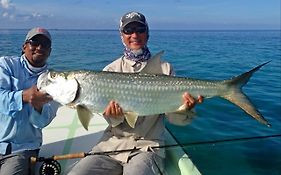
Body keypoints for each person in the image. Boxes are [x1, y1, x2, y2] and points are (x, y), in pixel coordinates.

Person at [68, 12, 203, 175]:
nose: (134, 35)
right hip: (110, 147)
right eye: (128, 30)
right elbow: (111, 121)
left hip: (148, 147)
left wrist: (184, 109)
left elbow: (175, 120)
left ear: (147, 33)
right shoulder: (110, 70)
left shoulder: (165, 69)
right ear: (121, 36)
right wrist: (115, 116)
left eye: (140, 29)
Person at [0, 27, 60, 175]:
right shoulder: (6, 65)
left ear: (49, 51)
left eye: (44, 44)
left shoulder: (54, 80)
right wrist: (23, 96)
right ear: (24, 46)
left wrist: (38, 107)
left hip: (23, 149)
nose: (39, 47)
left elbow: (41, 122)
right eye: (34, 42)